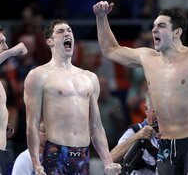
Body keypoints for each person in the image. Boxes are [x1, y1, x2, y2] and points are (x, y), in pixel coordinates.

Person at [93, 1, 188, 175]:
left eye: (161, 26)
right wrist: (101, 18)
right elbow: (110, 50)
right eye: (153, 26)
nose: (154, 30)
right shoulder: (148, 58)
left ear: (177, 32)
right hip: (166, 145)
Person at [24, 19, 121, 175]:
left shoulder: (90, 78)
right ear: (50, 41)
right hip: (55, 151)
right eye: (61, 31)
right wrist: (36, 163)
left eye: (69, 31)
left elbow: (96, 126)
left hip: (83, 154)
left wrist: (108, 162)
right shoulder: (38, 75)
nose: (67, 33)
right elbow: (32, 124)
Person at [0, 25, 28, 175]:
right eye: (1, 42)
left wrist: (3, 123)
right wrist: (10, 53)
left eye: (6, 42)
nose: (6, 46)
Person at [111, 92, 159, 175]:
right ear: (146, 109)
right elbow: (112, 158)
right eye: (155, 111)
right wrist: (138, 136)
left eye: (163, 112)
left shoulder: (176, 132)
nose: (159, 116)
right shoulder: (136, 130)